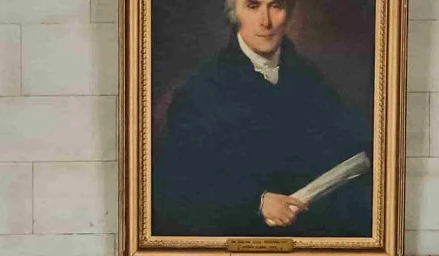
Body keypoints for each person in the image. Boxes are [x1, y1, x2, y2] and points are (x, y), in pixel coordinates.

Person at [151, 0, 374, 240]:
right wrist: (258, 201)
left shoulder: (312, 80)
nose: (265, 21)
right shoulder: (200, 89)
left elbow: (347, 153)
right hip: (233, 241)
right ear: (233, 13)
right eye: (252, 6)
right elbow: (179, 182)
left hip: (308, 240)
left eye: (275, 6)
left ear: (288, 12)